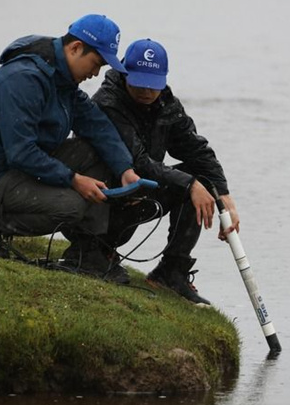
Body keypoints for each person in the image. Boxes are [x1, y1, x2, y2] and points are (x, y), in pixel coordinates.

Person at [0, 14, 140, 283]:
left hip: (22, 167)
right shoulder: (24, 78)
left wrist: (125, 168)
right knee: (71, 207)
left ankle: (89, 252)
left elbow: (96, 124)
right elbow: (21, 152)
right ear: (75, 48)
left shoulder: (63, 78)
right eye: (96, 63)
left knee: (97, 151)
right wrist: (74, 180)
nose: (96, 73)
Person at [92, 38, 240, 305]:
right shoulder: (107, 102)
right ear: (125, 72)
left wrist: (224, 194)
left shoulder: (166, 106)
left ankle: (171, 272)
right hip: (100, 198)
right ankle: (93, 251)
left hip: (138, 194)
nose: (147, 91)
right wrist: (191, 185)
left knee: (202, 178)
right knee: (192, 183)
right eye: (139, 82)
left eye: (154, 84)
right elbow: (137, 163)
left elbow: (198, 151)